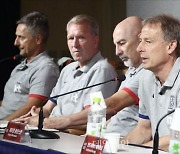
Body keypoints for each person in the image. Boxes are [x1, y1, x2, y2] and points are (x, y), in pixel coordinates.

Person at [17, 16, 144, 135]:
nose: (117, 52)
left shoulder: (104, 70)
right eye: (70, 38)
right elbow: (108, 120)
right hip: (57, 131)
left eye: (122, 43)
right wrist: (37, 116)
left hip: (67, 133)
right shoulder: (132, 72)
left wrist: (48, 123)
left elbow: (106, 109)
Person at [123, 14, 180, 151]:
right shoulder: (146, 78)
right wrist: (121, 146)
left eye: (148, 42)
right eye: (140, 41)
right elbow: (144, 129)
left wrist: (137, 151)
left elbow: (177, 137)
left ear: (171, 46)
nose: (139, 48)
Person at [0, 12, 59, 121]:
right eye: (16, 37)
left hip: (15, 129)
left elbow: (31, 108)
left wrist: (2, 124)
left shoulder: (45, 68)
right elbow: (7, 103)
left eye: (21, 37)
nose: (15, 43)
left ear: (38, 39)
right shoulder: (19, 66)